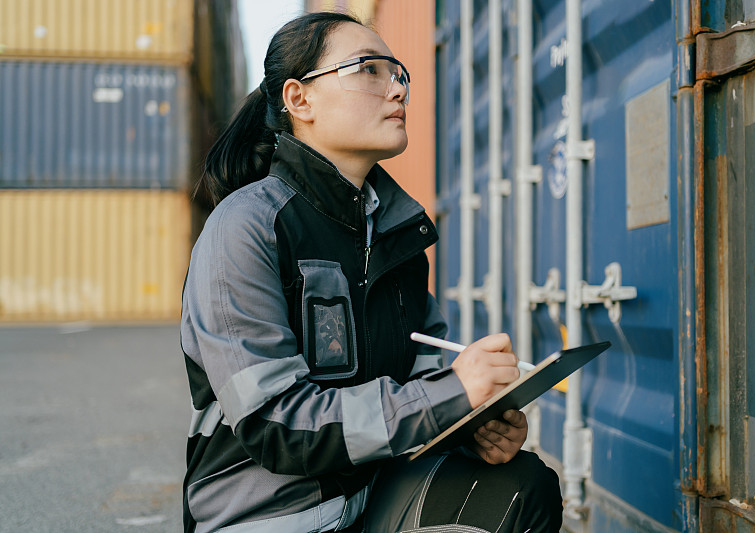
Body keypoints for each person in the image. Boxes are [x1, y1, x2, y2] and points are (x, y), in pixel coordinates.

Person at [180, 11, 562, 533]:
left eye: (399, 72)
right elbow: (275, 425)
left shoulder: (396, 233)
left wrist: (471, 424)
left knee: (523, 485)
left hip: (370, 492)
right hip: (269, 517)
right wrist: (451, 394)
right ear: (300, 99)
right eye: (369, 69)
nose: (398, 88)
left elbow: (421, 376)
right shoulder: (246, 227)